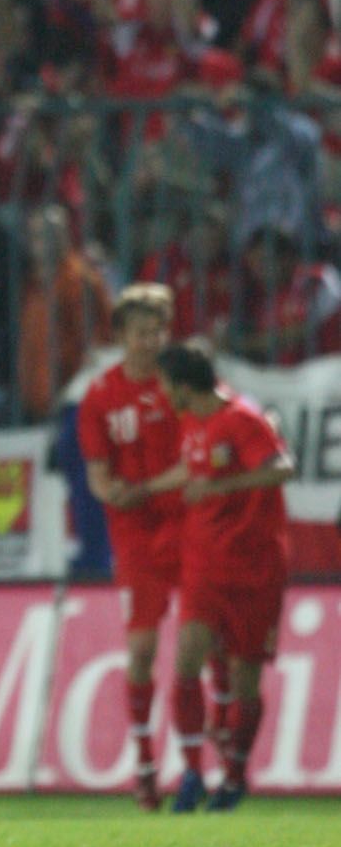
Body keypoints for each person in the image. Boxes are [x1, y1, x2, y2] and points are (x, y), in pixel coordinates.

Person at [154, 342, 295, 812]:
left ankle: (234, 775)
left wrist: (219, 486)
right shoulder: (192, 420)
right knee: (186, 662)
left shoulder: (242, 419)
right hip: (204, 564)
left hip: (255, 567)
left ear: (182, 386)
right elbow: (192, 469)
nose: (161, 393)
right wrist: (141, 490)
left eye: (165, 384)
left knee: (245, 680)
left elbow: (280, 469)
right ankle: (193, 771)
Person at [76, 284, 186, 810]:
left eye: (158, 330)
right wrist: (111, 491)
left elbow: (202, 457)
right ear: (120, 335)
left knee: (203, 646)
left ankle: (202, 766)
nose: (151, 340)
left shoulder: (181, 386)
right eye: (142, 331)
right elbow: (98, 474)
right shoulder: (100, 396)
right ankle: (145, 763)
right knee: (142, 651)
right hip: (137, 536)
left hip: (190, 525)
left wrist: (144, 488)